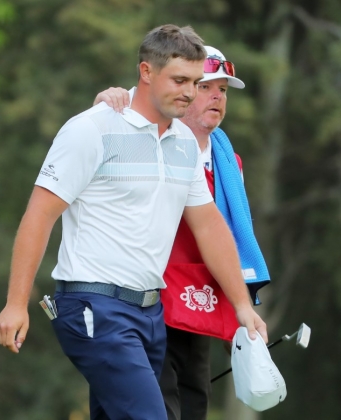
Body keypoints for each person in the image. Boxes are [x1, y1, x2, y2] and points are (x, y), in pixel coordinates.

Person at [0, 26, 268, 420]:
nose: (190, 92)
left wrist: (242, 306)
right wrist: (16, 304)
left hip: (150, 315)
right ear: (146, 72)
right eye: (180, 80)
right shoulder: (93, 128)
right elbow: (39, 214)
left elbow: (209, 225)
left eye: (195, 81)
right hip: (95, 308)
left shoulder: (185, 143)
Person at [94, 45, 271, 420]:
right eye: (207, 87)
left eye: (223, 90)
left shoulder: (228, 161)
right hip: (143, 302)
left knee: (194, 406)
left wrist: (237, 309)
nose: (217, 97)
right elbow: (115, 130)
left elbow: (225, 240)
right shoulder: (150, 142)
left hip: (200, 303)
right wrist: (109, 103)